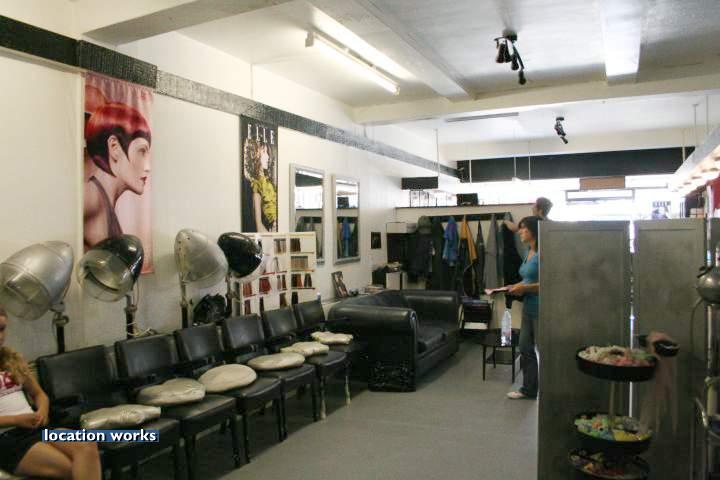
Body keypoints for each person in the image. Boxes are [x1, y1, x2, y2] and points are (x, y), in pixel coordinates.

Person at [0, 306, 101, 478]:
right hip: (6, 438)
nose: (0, 336)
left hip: (34, 427)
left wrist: (42, 411)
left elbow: (39, 394)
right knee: (72, 468)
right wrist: (17, 420)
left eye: (2, 329)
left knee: (87, 446)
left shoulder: (11, 359)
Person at [83, 102, 152, 250]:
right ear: (114, 147)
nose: (148, 167)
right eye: (141, 151)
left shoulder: (104, 199)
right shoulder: (93, 195)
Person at [505, 216, 541, 400]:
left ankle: (549, 389)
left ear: (534, 230)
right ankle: (529, 389)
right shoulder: (529, 251)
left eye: (523, 228)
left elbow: (549, 282)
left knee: (544, 350)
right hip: (529, 306)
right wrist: (515, 286)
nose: (519, 231)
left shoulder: (544, 253)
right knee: (525, 347)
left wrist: (524, 288)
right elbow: (528, 278)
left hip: (542, 308)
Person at [242, 139, 277, 232]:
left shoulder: (268, 183)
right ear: (257, 155)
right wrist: (274, 238)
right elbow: (259, 225)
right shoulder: (256, 185)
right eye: (264, 152)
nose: (268, 156)